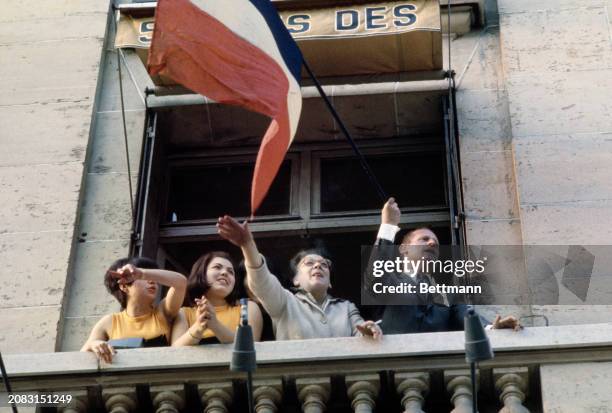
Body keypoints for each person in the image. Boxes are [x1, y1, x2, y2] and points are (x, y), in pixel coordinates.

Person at [369, 197, 521, 334]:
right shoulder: (390, 281)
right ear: (403, 249)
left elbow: (467, 317)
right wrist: (388, 226)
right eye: (424, 239)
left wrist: (492, 328)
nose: (432, 243)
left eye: (436, 243)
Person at [217, 215, 382, 340]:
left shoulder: (346, 307)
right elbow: (262, 282)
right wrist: (247, 244)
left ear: (330, 281)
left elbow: (361, 334)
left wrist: (370, 329)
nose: (318, 266)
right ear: (295, 279)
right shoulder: (285, 302)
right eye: (309, 263)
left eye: (324, 264)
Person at [81, 257, 187, 363]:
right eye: (140, 277)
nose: (152, 281)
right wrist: (94, 344)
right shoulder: (109, 322)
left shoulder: (163, 312)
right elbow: (81, 357)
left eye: (154, 278)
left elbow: (181, 282)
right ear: (123, 286)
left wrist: (142, 273)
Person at [171, 251, 263, 346]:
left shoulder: (247, 307)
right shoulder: (184, 313)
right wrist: (198, 327)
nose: (225, 273)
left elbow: (249, 345)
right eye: (217, 267)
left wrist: (215, 325)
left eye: (231, 272)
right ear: (202, 273)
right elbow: (173, 352)